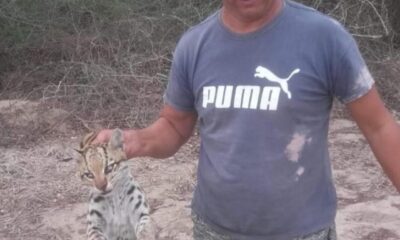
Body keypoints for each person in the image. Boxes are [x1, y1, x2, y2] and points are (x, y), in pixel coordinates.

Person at [93, 0, 400, 239]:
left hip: (303, 232)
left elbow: (379, 126)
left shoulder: (325, 37)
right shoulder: (195, 45)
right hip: (213, 229)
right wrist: (136, 140)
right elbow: (173, 125)